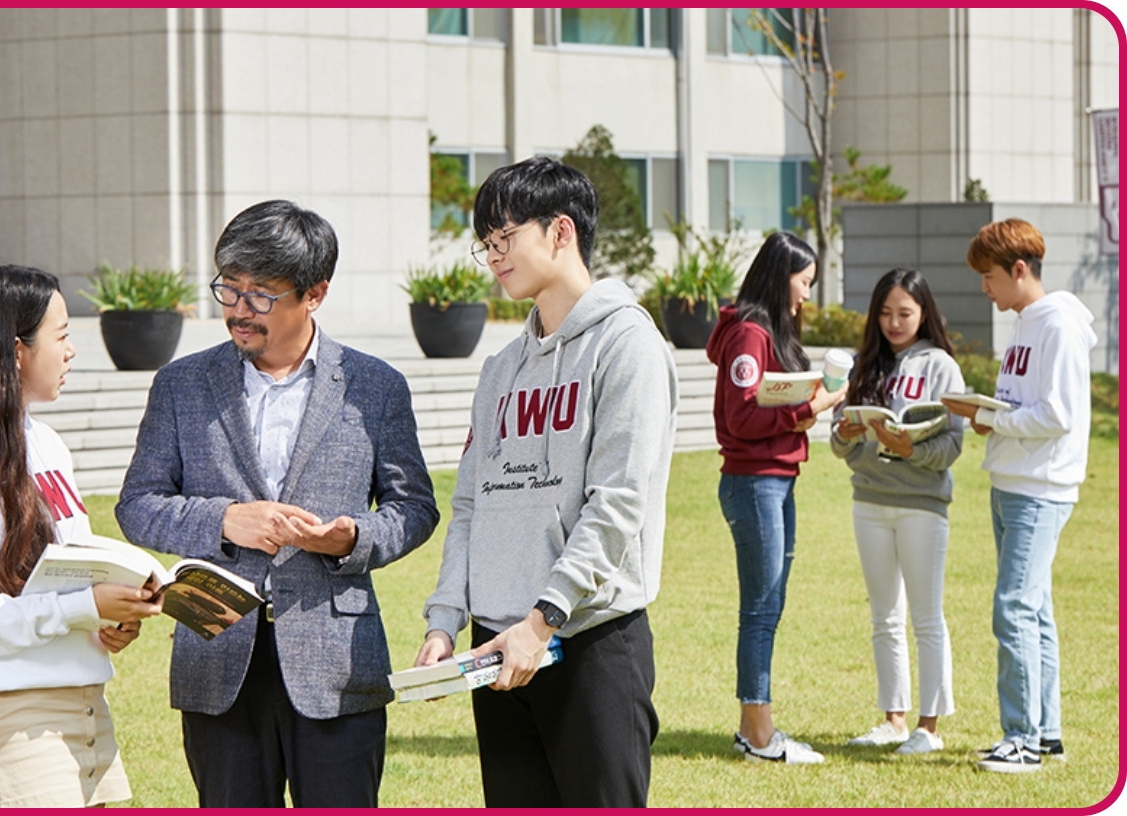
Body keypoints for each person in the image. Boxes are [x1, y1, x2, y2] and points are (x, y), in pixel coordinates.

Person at [115, 200, 440, 806]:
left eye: (260, 294)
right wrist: (223, 520)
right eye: (229, 289)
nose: (239, 310)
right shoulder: (180, 384)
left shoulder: (376, 387)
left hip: (336, 666)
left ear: (314, 294)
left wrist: (352, 539)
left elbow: (415, 508)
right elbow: (137, 504)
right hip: (216, 658)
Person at [416, 157, 678, 807]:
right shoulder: (500, 369)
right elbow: (470, 505)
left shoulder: (627, 346)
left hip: (586, 640)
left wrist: (543, 621)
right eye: (486, 243)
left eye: (504, 237)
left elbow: (618, 503)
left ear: (561, 231)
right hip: (496, 650)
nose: (492, 256)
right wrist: (445, 622)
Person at [0, 264, 161, 808]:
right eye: (62, 335)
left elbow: (64, 572)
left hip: (84, 706)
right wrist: (81, 607)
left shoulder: (45, 443)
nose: (72, 351)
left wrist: (106, 617)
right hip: (9, 717)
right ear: (16, 351)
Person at [942, 218, 1096, 773]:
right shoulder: (1026, 322)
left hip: (1039, 489)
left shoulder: (1059, 324)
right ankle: (1045, 733)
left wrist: (990, 418)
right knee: (1035, 610)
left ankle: (1022, 740)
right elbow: (1023, 404)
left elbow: (1058, 415)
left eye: (989, 276)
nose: (984, 287)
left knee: (1012, 608)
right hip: (1011, 482)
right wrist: (989, 414)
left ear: (1020, 270)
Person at [704, 231, 847, 765]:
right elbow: (742, 417)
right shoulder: (749, 333)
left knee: (770, 604)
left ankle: (754, 727)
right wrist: (809, 410)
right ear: (778, 277)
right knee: (761, 609)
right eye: (803, 282)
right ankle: (760, 736)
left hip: (777, 479)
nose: (807, 294)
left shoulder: (766, 331)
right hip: (754, 481)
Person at [830, 269, 965, 756]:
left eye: (904, 313)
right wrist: (845, 435)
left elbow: (953, 444)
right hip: (869, 501)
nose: (893, 322)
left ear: (923, 313)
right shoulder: (864, 365)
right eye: (885, 313)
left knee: (926, 616)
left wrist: (911, 450)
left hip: (921, 506)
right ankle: (893, 719)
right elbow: (838, 442)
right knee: (884, 616)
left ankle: (929, 728)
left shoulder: (941, 367)